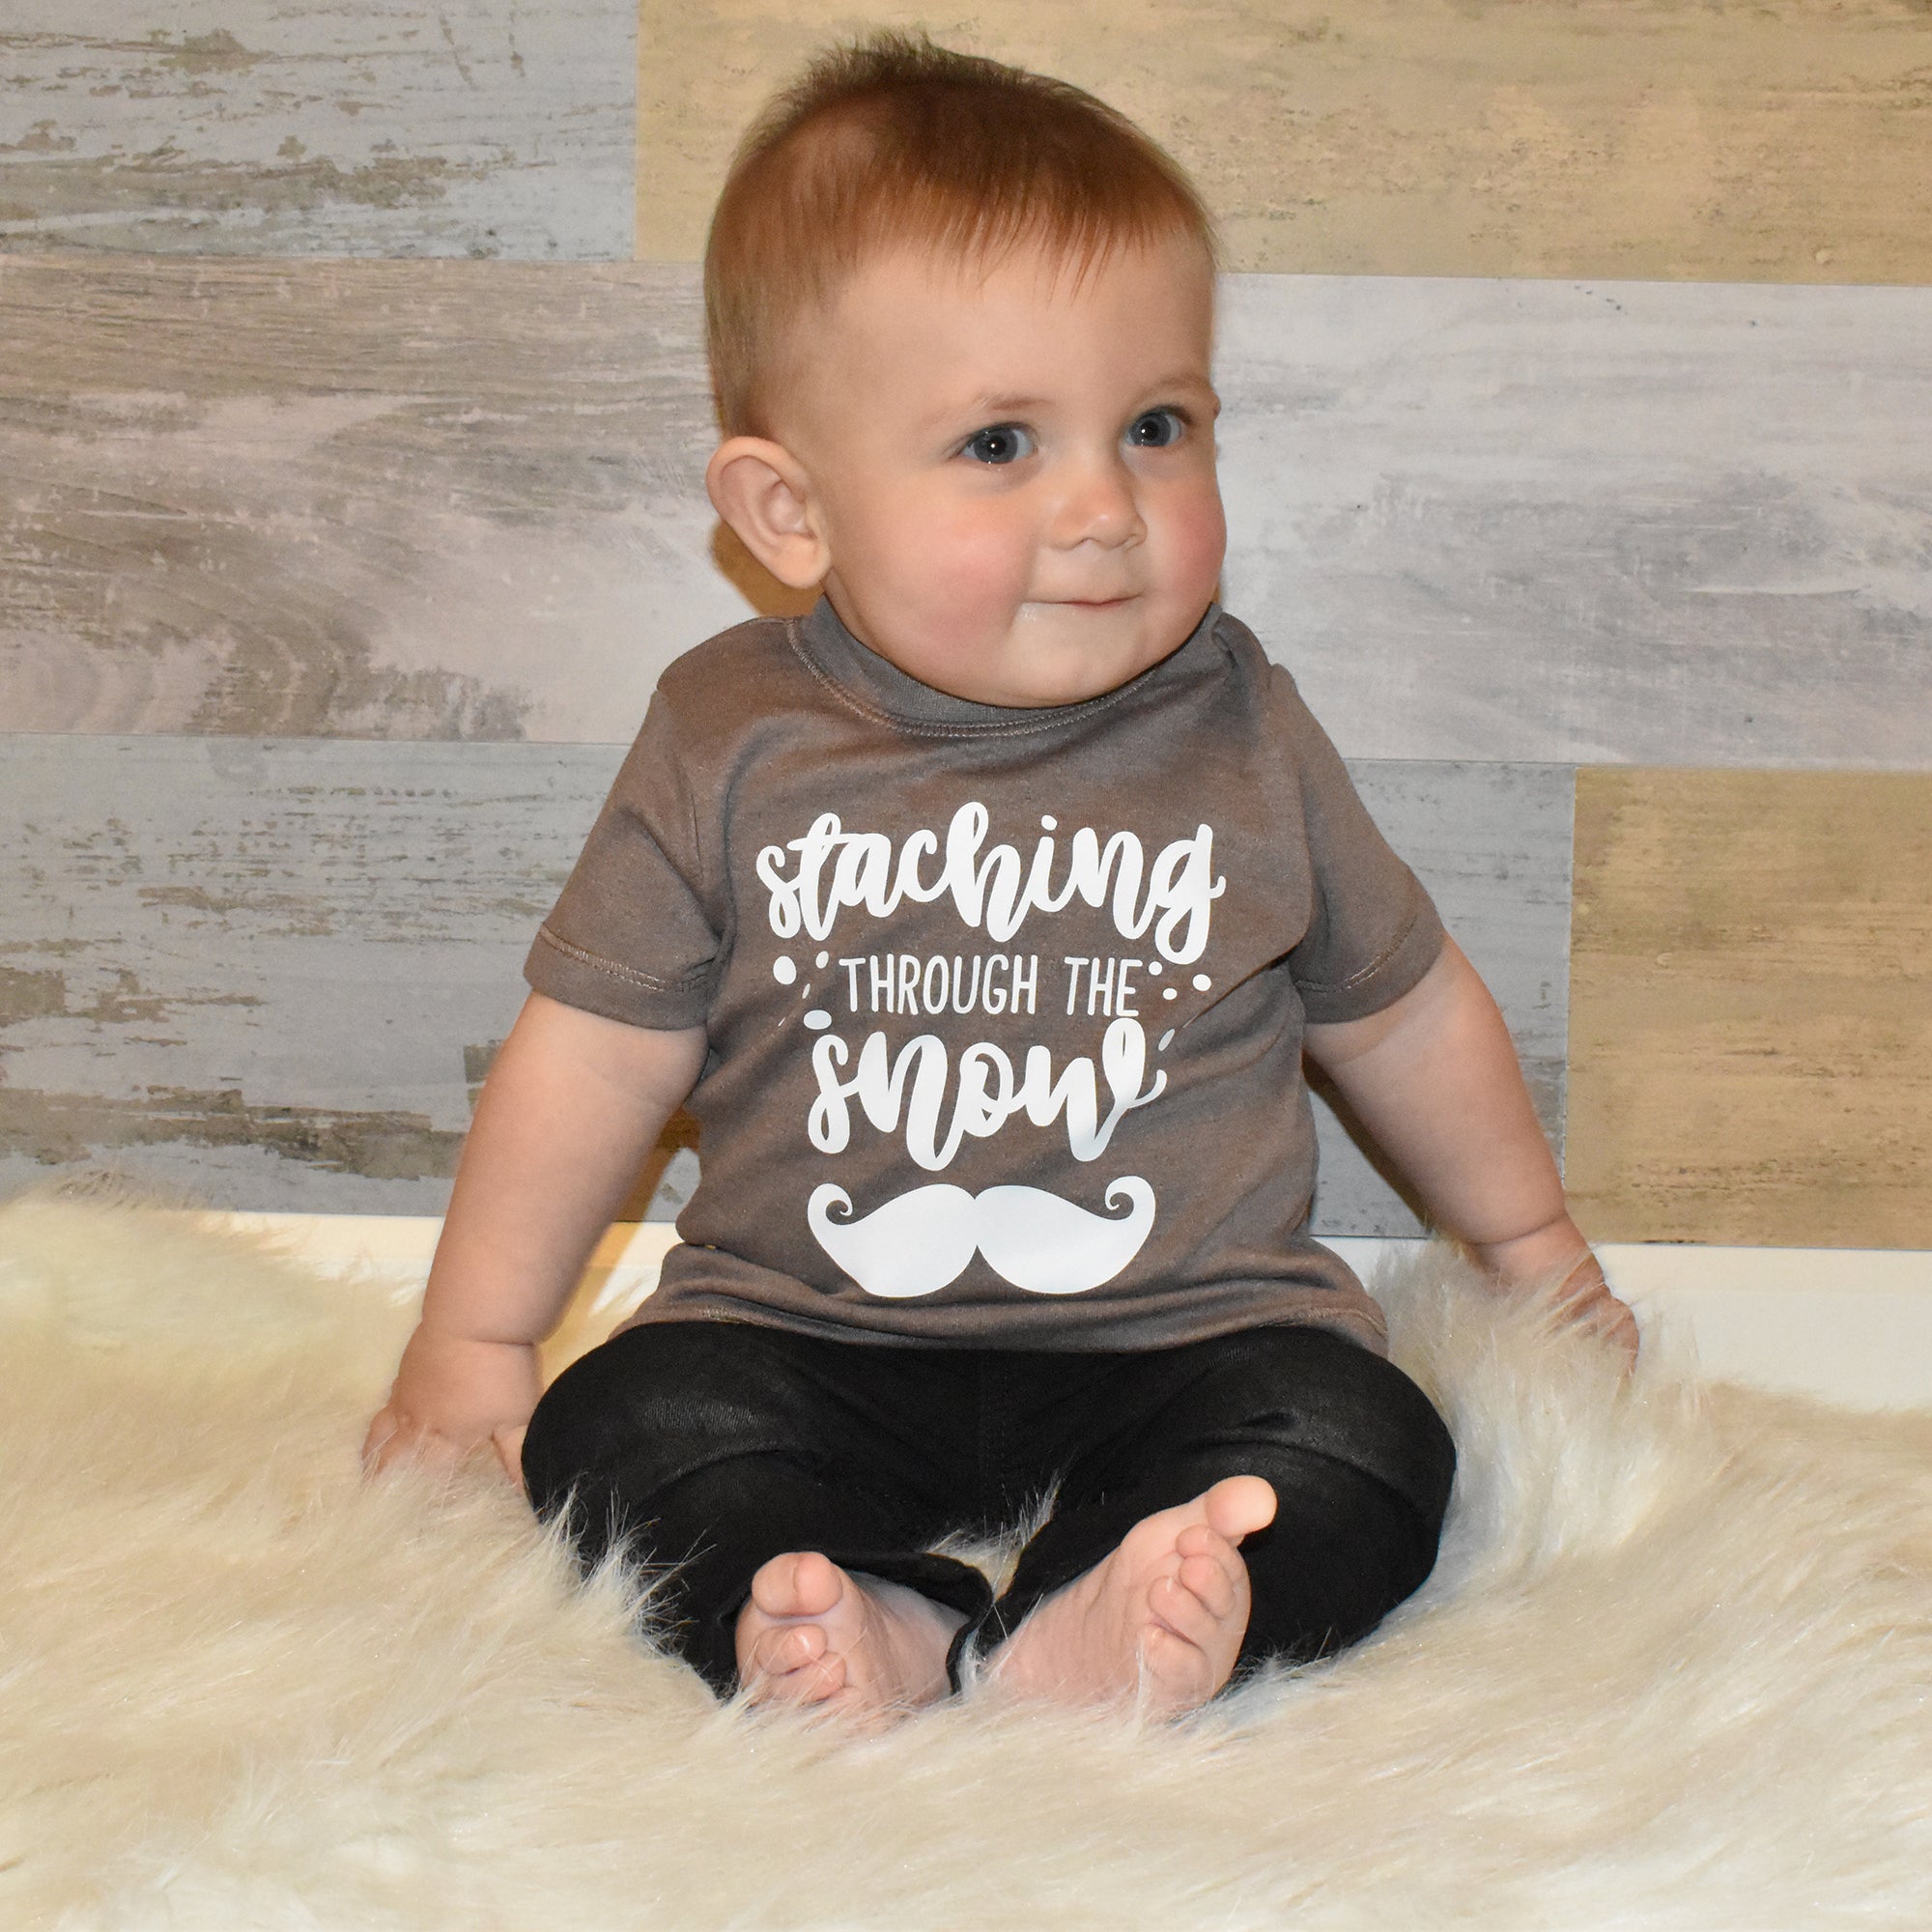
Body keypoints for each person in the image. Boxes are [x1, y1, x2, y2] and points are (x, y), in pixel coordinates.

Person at [363, 32, 1637, 1726]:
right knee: (621, 1434)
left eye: (1158, 424)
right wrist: (475, 1343)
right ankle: (852, 1611)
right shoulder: (728, 732)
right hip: (799, 1346)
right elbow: (595, 1054)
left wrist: (1527, 1240)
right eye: (999, 446)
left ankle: (1119, 1607)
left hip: (1191, 1347)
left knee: (1366, 1442)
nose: (1107, 507)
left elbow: (1399, 1007)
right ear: (788, 511)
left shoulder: (1244, 725)